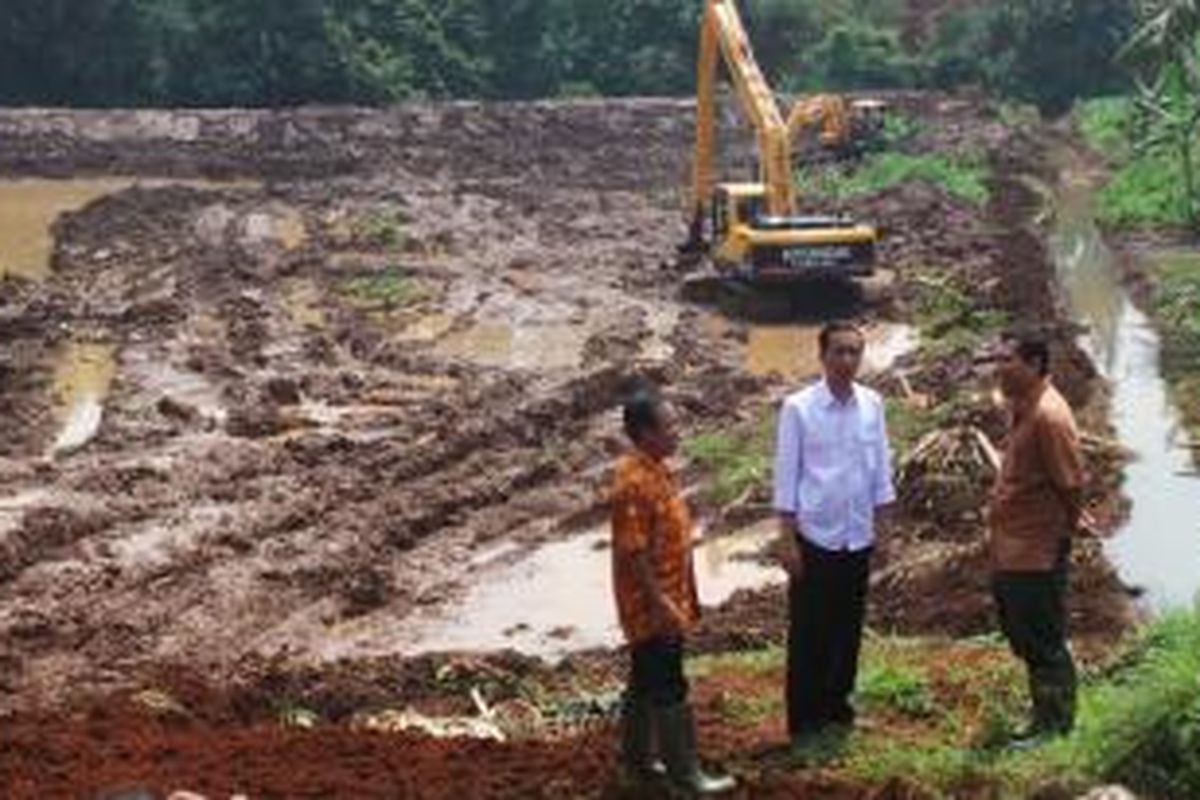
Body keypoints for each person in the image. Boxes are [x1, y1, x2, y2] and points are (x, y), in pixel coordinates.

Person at [772, 320, 895, 745]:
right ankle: (804, 721)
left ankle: (837, 710)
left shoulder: (873, 405)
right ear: (822, 356)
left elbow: (881, 471)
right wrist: (787, 540)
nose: (847, 360)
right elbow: (786, 480)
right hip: (815, 538)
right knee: (810, 633)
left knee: (847, 628)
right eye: (839, 352)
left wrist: (885, 531)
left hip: (857, 537)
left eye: (854, 352)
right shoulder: (798, 409)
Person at [610, 388, 735, 795]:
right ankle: (686, 777)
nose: (678, 432)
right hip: (650, 605)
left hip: (666, 597)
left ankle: (637, 767)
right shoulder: (632, 481)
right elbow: (633, 552)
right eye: (670, 426)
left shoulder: (657, 469)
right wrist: (661, 603)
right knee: (668, 683)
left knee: (645, 680)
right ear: (645, 433)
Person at [989, 331, 1091, 747]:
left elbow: (1071, 483)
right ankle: (1044, 714)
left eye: (1007, 360)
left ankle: (1055, 726)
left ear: (1033, 365)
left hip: (1036, 549)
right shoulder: (1023, 406)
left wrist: (1069, 523)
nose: (999, 368)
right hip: (1014, 546)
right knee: (1026, 632)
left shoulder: (1049, 416)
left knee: (1042, 637)